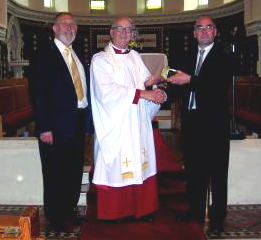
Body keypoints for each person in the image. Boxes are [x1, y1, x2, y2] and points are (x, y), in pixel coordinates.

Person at [90, 16, 166, 221]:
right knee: (119, 165)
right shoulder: (100, 60)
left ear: (133, 34)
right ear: (111, 32)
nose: (124, 33)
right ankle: (117, 211)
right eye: (120, 29)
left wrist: (155, 89)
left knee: (140, 160)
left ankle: (142, 209)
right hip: (116, 124)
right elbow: (106, 93)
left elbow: (145, 83)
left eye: (128, 30)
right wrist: (144, 94)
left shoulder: (134, 57)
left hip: (137, 123)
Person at [167, 15, 232, 233]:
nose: (204, 31)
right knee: (194, 170)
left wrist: (190, 80)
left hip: (214, 125)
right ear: (194, 33)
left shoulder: (225, 55)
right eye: (199, 28)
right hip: (192, 123)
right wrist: (159, 93)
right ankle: (195, 210)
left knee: (217, 174)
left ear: (215, 32)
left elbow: (217, 86)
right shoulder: (186, 55)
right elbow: (177, 84)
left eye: (208, 27)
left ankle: (217, 219)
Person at [30, 12, 92, 231]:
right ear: (54, 29)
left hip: (76, 123)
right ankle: (56, 218)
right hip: (54, 127)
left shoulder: (76, 55)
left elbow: (83, 91)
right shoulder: (43, 54)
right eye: (64, 24)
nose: (69, 28)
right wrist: (44, 126)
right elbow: (38, 94)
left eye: (73, 24)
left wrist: (86, 124)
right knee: (55, 172)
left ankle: (69, 210)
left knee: (73, 170)